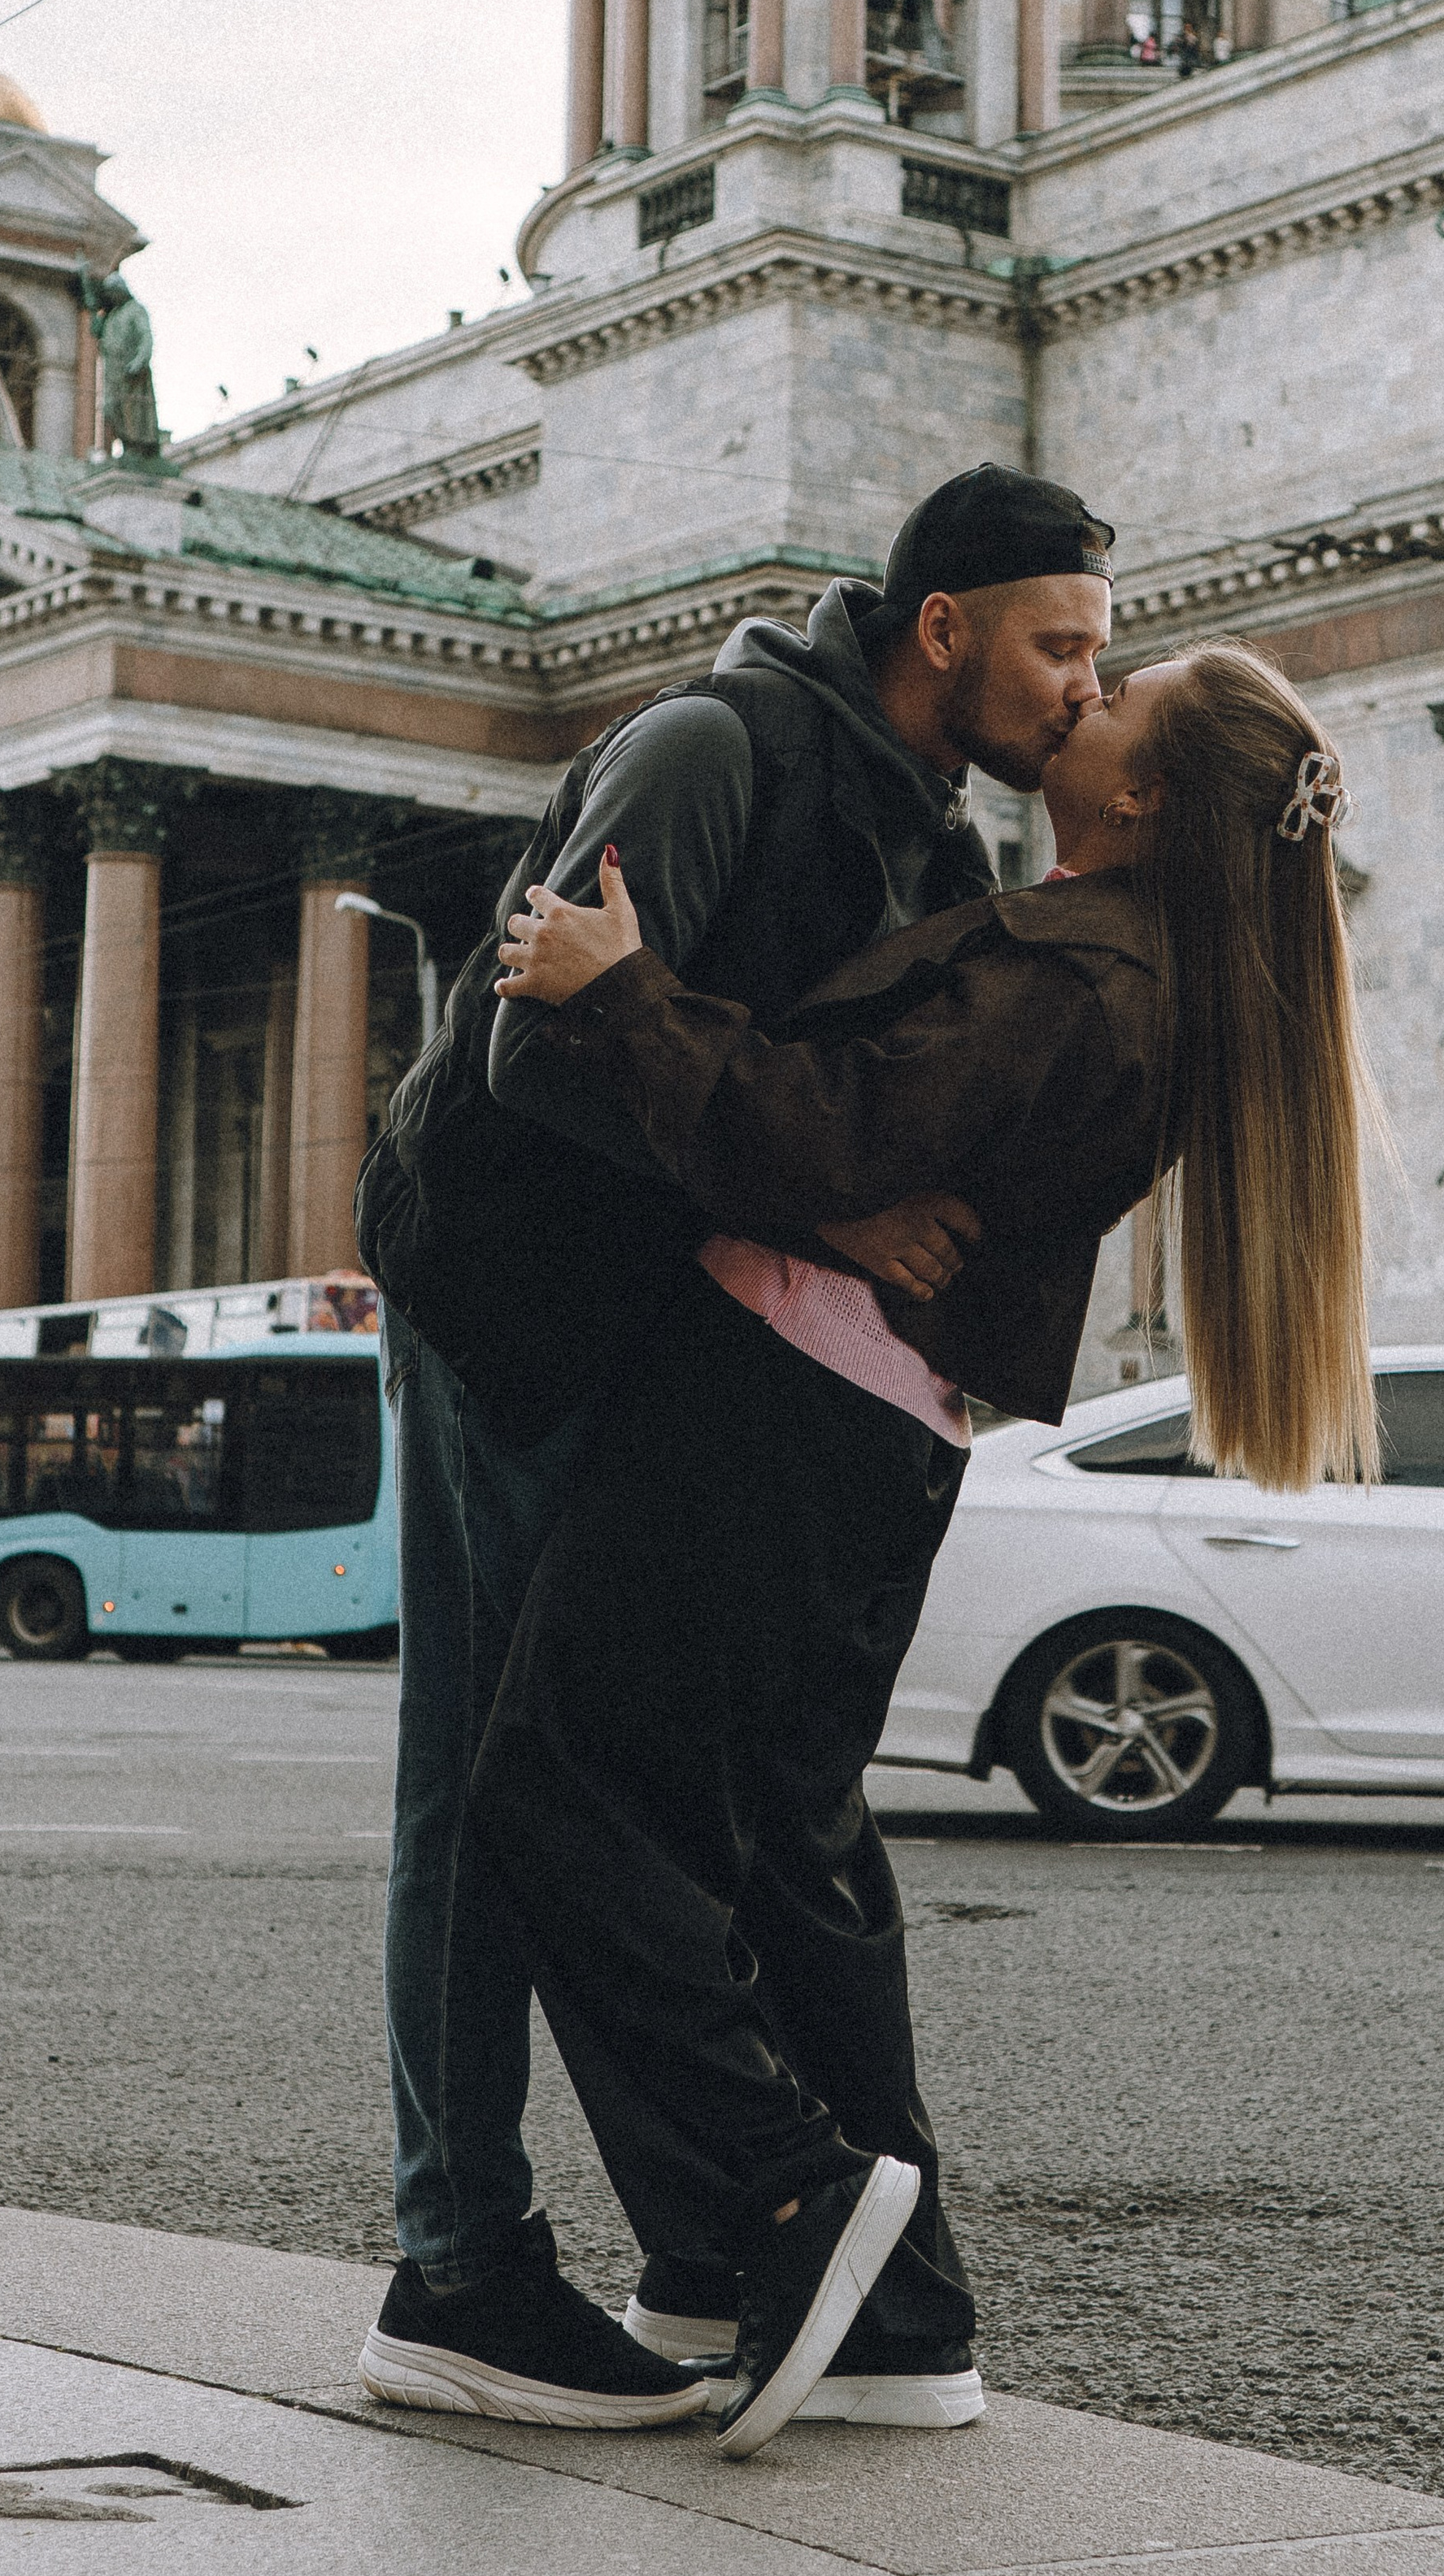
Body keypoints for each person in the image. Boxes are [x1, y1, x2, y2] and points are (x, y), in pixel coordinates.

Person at [471, 638, 1382, 2457]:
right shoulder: (1119, 958)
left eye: (1112, 692)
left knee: (551, 1799)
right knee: (782, 1856)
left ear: (1136, 799)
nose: (1082, 692)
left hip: (773, 1408)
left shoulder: (1081, 968)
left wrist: (618, 981)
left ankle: (793, 2199)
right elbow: (865, 1140)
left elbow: (824, 1123)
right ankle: (886, 2314)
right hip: (855, 1425)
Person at [353, 467, 1116, 2429]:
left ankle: (701, 2255)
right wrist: (828, 1225)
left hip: (651, 1335)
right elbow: (538, 1045)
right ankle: (458, 2270)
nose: (1081, 685)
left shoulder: (926, 832)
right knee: (484, 1779)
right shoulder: (710, 746)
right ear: (941, 627)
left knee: (600, 1789)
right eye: (1058, 642)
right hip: (502, 1306)